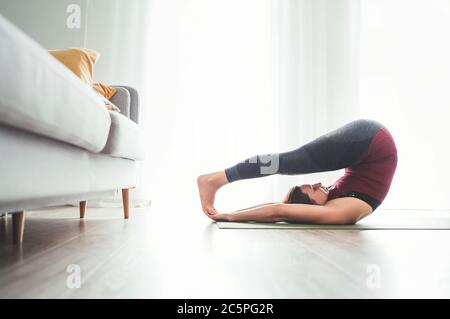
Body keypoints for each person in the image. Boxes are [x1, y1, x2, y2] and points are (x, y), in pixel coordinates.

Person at [197, 119, 397, 224]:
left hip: (366, 142)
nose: (319, 184)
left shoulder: (330, 205)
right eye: (314, 190)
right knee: (284, 163)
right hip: (370, 142)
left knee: (284, 162)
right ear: (311, 208)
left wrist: (231, 214)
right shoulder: (339, 213)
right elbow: (280, 211)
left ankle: (215, 180)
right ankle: (214, 180)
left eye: (313, 187)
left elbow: (279, 209)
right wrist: (229, 215)